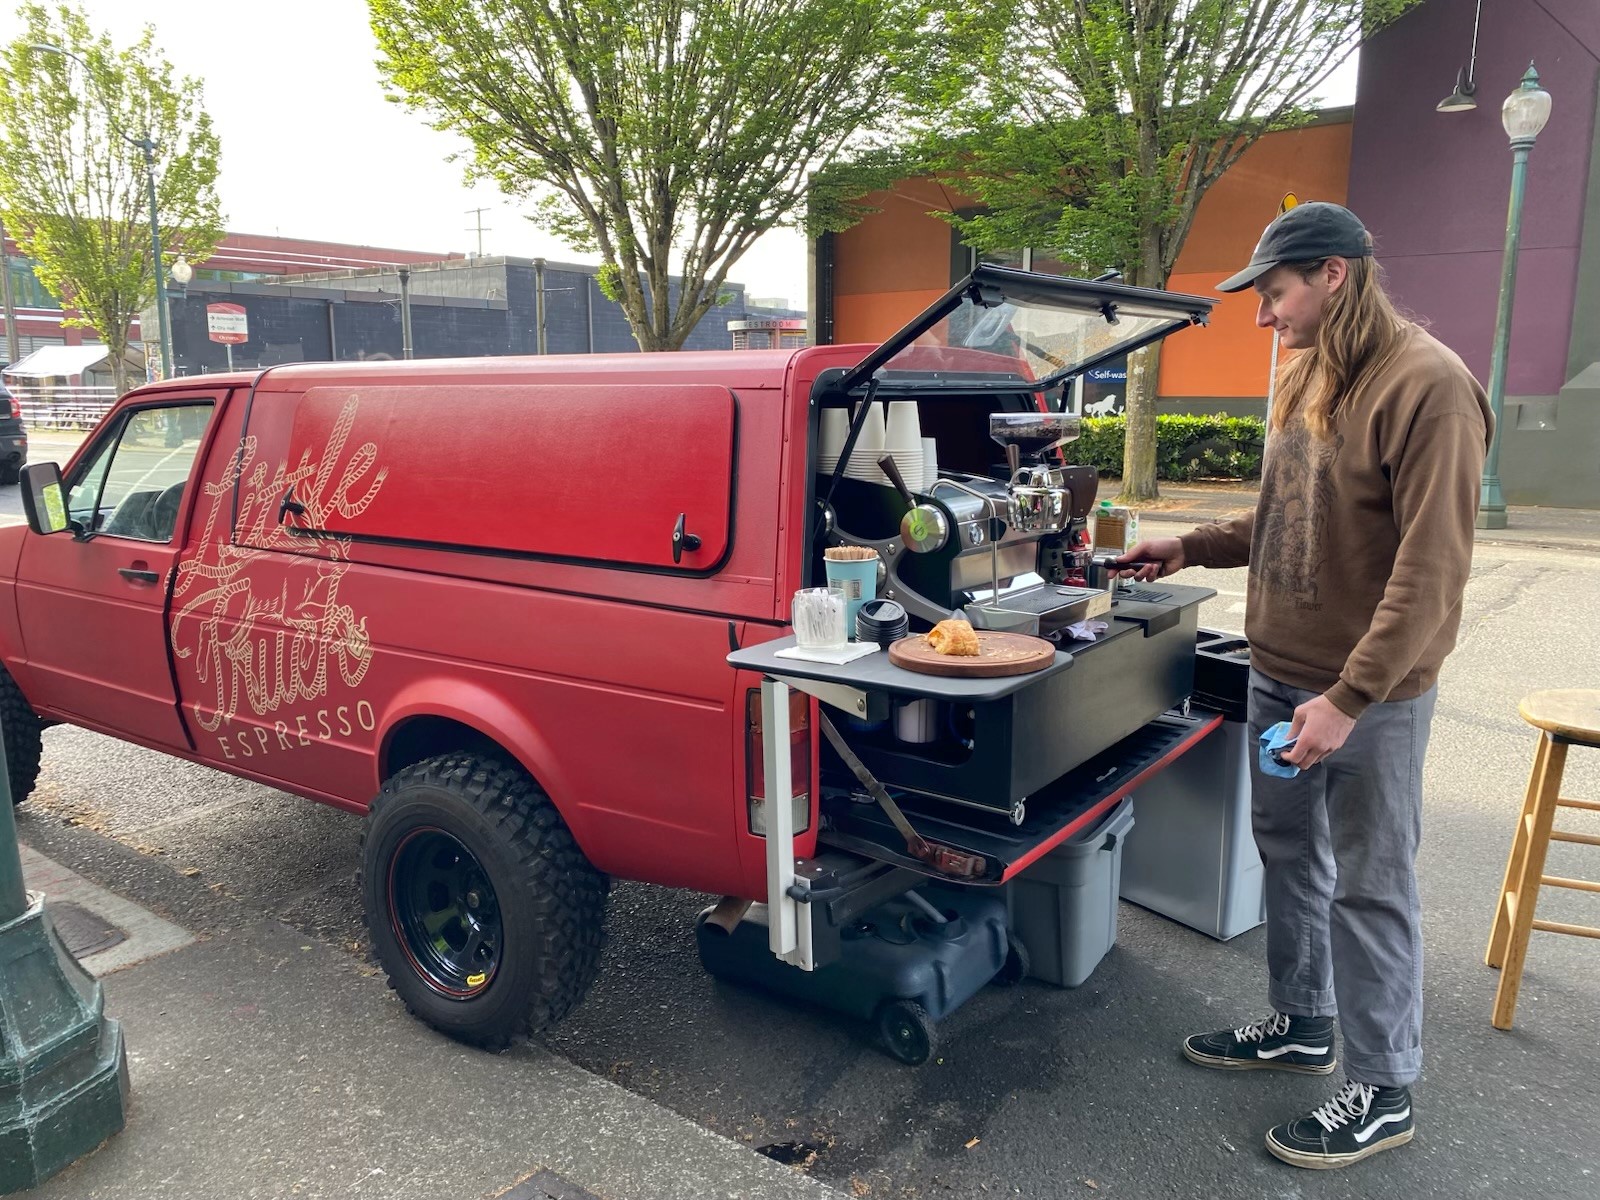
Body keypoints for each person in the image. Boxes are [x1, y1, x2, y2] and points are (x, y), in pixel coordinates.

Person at [1118, 202, 1491, 1170]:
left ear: (1331, 275)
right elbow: (1285, 512)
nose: (1260, 314)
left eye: (1272, 292)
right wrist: (1186, 545)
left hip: (1368, 696)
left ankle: (1382, 1087)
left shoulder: (1430, 388)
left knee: (1370, 882)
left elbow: (1429, 570)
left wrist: (1349, 699)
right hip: (1280, 678)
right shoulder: (1309, 371)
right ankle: (1301, 1023)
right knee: (1288, 854)